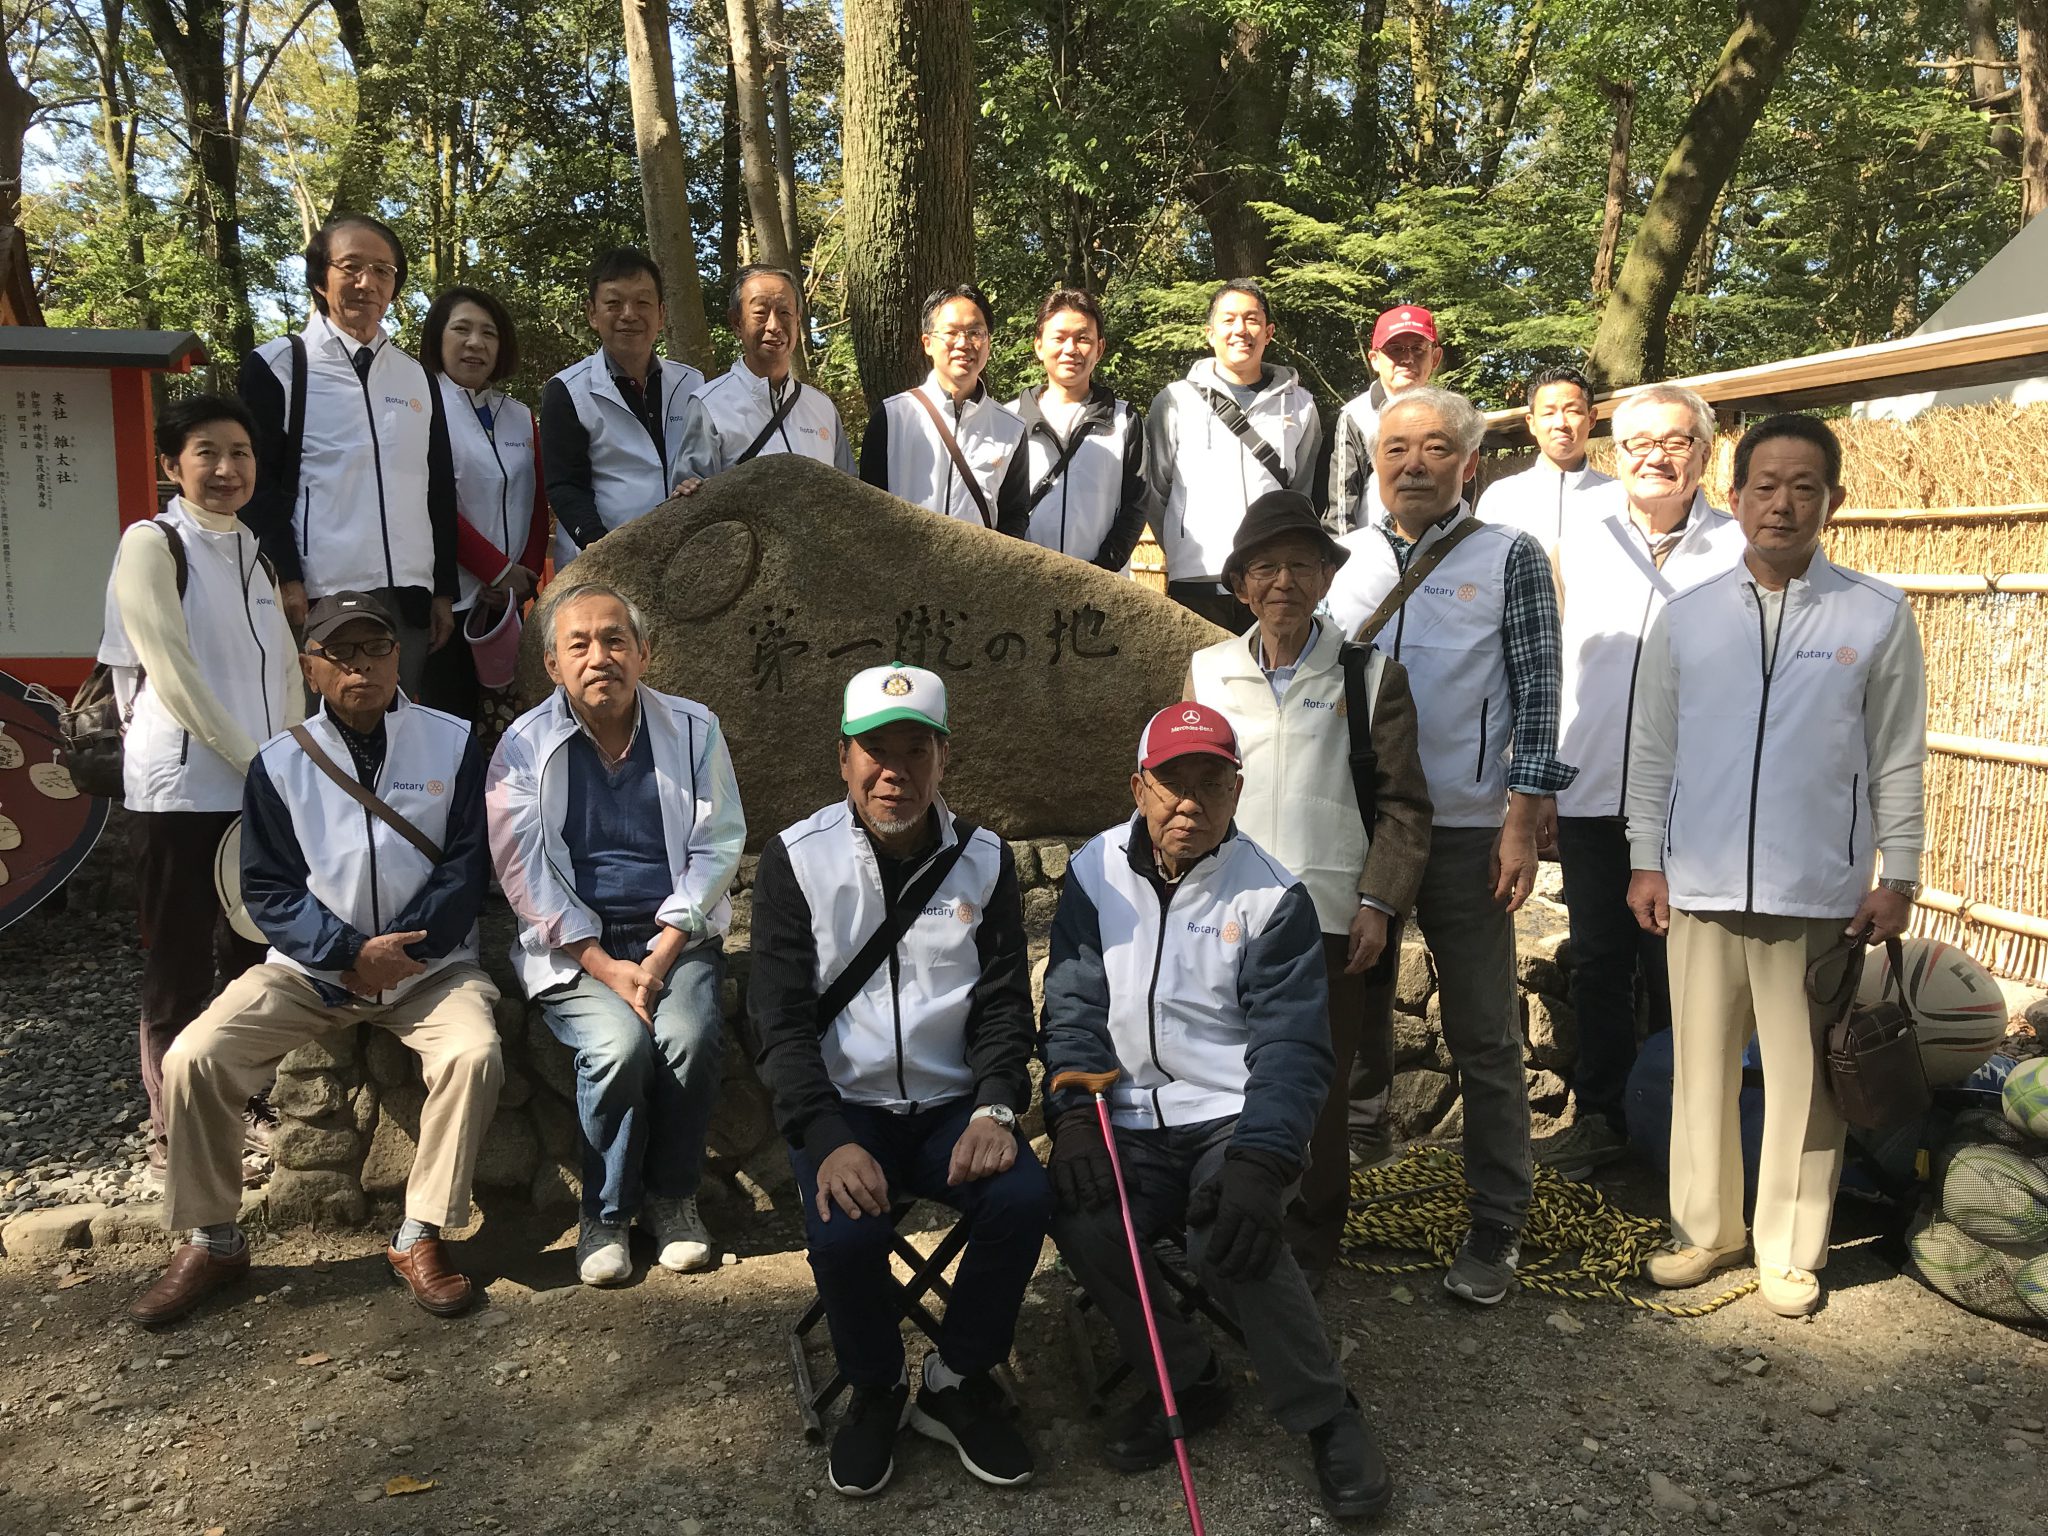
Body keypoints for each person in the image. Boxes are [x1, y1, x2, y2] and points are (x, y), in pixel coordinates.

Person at [1041, 703, 1391, 1521]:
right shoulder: (1094, 873)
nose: (1189, 803)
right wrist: (1075, 1118)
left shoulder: (1273, 896)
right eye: (1171, 783)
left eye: (1210, 782)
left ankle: (1326, 1413)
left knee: (1228, 1232)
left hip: (1226, 1116)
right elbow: (1073, 1008)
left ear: (1238, 791)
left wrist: (1261, 1162)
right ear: (1139, 787)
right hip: (1122, 1110)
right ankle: (1185, 1374)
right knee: (1080, 1209)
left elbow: (1293, 1051)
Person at [130, 591, 502, 1327]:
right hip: (311, 970)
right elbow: (266, 887)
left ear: (400, 656)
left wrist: (400, 954)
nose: (360, 666)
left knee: (474, 1052)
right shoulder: (279, 763)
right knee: (195, 1056)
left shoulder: (453, 741)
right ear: (310, 666)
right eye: (340, 653)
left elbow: (467, 866)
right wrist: (346, 954)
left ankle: (420, 1231)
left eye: (375, 649)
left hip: (432, 969)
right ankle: (214, 1236)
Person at [1626, 413, 1926, 1318]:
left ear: (1833, 499)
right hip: (1702, 887)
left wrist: (1898, 871)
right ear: (1739, 495)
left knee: (1804, 1082)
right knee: (1702, 1070)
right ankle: (1704, 1231)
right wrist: (1647, 861)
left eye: (1804, 487)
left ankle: (1792, 1249)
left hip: (1820, 894)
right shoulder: (1687, 615)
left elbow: (1898, 755)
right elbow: (1652, 752)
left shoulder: (1876, 615)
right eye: (1766, 485)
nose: (1783, 503)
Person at [750, 663, 1049, 1498]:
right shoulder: (796, 860)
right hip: (849, 1108)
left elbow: (1000, 1009)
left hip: (956, 1105)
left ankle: (956, 1379)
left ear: (942, 756)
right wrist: (826, 1136)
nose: (895, 771)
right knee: (845, 1233)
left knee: (1023, 1198)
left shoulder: (985, 860)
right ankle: (876, 1386)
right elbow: (778, 1022)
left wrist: (997, 1104)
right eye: (874, 751)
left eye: (914, 750)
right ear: (843, 758)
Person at [1322, 387, 1576, 1306]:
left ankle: (1499, 1217)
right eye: (1395, 449)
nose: (1413, 465)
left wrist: (1522, 817)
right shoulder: (1342, 558)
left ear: (1469, 462)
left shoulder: (1508, 556)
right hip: (1359, 826)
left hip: (1471, 828)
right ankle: (1338, 1188)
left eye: (1435, 449)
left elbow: (1539, 693)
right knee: (1346, 1020)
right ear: (1375, 461)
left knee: (1481, 1031)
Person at [1182, 489, 1433, 1281]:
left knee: (1317, 1093)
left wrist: (1379, 904)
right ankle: (1220, 1221)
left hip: (1328, 918)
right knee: (1221, 1073)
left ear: (1326, 577)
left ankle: (1310, 1250)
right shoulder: (1209, 670)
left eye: (1300, 563)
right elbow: (1187, 792)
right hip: (1223, 911)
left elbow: (1403, 805)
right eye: (1264, 567)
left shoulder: (1370, 676)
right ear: (1241, 584)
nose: (1282, 580)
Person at [487, 583, 744, 1286]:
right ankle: (604, 1211)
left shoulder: (694, 728)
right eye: (580, 644)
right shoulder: (522, 747)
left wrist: (660, 956)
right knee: (617, 1045)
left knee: (686, 1038)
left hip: (675, 937)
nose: (599, 656)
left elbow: (718, 845)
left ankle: (672, 1199)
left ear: (643, 652)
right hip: (577, 947)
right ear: (552, 665)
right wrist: (604, 965)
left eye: (614, 640)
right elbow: (523, 873)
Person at [98, 394, 304, 1181]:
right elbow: (171, 671)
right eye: (207, 453)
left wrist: (284, 755)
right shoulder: (152, 544)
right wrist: (253, 758)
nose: (226, 469)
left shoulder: (254, 549)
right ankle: (173, 1124)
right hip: (181, 790)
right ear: (171, 465)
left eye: (241, 454)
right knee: (180, 962)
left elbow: (283, 664)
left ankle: (245, 1097)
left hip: (258, 786)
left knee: (253, 953)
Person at [1540, 383, 1743, 1177]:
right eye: (1637, 443)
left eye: (1676, 440)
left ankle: (1681, 1124)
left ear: (1705, 451)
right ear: (1611, 454)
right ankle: (1602, 1115)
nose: (1656, 455)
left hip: (1697, 801)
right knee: (1599, 958)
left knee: (1684, 964)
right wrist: (1543, 785)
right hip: (1592, 788)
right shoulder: (1577, 545)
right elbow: (1548, 672)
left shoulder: (1737, 550)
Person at [238, 215, 459, 695]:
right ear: (320, 279)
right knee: (324, 732)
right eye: (351, 267)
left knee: (401, 726)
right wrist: (286, 575)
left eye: (383, 271)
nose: (368, 282)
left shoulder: (415, 376)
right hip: (322, 590)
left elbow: (437, 487)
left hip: (410, 595)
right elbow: (258, 485)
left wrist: (442, 590)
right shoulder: (279, 366)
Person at [1146, 280, 1321, 630]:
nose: (1241, 329)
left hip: (1273, 579)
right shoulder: (1175, 400)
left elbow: (1303, 494)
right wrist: (1182, 551)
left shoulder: (1301, 406)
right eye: (1228, 320)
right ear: (1210, 333)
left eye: (1251, 319)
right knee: (1202, 681)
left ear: (1268, 332)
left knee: (1269, 680)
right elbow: (1155, 491)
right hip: (1197, 577)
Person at [417, 285, 549, 720]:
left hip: (509, 605)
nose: (476, 343)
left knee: (513, 722)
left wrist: (524, 576)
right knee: (452, 724)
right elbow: (430, 503)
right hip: (449, 603)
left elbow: (536, 497)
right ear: (438, 338)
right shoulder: (421, 408)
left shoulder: (519, 414)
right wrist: (497, 569)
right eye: (462, 329)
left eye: (488, 333)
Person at [540, 248, 719, 570]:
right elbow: (565, 485)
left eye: (642, 302)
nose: (629, 314)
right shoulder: (568, 390)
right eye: (613, 303)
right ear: (592, 313)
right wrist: (599, 543)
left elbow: (707, 465)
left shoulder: (693, 383)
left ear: (661, 314)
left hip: (682, 557)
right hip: (599, 562)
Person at [859, 283, 1029, 534]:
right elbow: (868, 506)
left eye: (975, 332)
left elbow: (1014, 516)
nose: (964, 343)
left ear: (988, 343)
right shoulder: (893, 416)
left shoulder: (1010, 428)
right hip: (902, 568)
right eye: (951, 332)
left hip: (979, 570)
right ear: (927, 343)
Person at [1010, 288, 1151, 571]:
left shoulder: (1124, 420)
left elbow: (1136, 505)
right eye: (1059, 338)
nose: (1070, 349)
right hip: (1023, 583)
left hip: (1101, 588)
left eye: (1083, 338)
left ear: (1099, 348)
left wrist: (1101, 572)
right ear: (1038, 346)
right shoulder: (1009, 419)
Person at [693, 264, 854, 473]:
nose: (774, 326)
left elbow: (849, 492)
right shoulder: (710, 406)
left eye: (784, 312)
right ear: (736, 322)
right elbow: (692, 502)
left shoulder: (821, 408)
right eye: (760, 313)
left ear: (797, 320)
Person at [1473, 364, 1615, 560]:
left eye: (1572, 411)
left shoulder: (1620, 497)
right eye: (1548, 413)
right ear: (1531, 422)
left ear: (1591, 419)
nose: (1560, 424)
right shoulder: (1501, 497)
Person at [1325, 304, 1444, 536]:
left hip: (1441, 556)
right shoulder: (1355, 416)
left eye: (1418, 348)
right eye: (1395, 349)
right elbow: (1340, 509)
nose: (1407, 358)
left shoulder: (1450, 416)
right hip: (1375, 557)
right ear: (1375, 359)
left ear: (1435, 357)